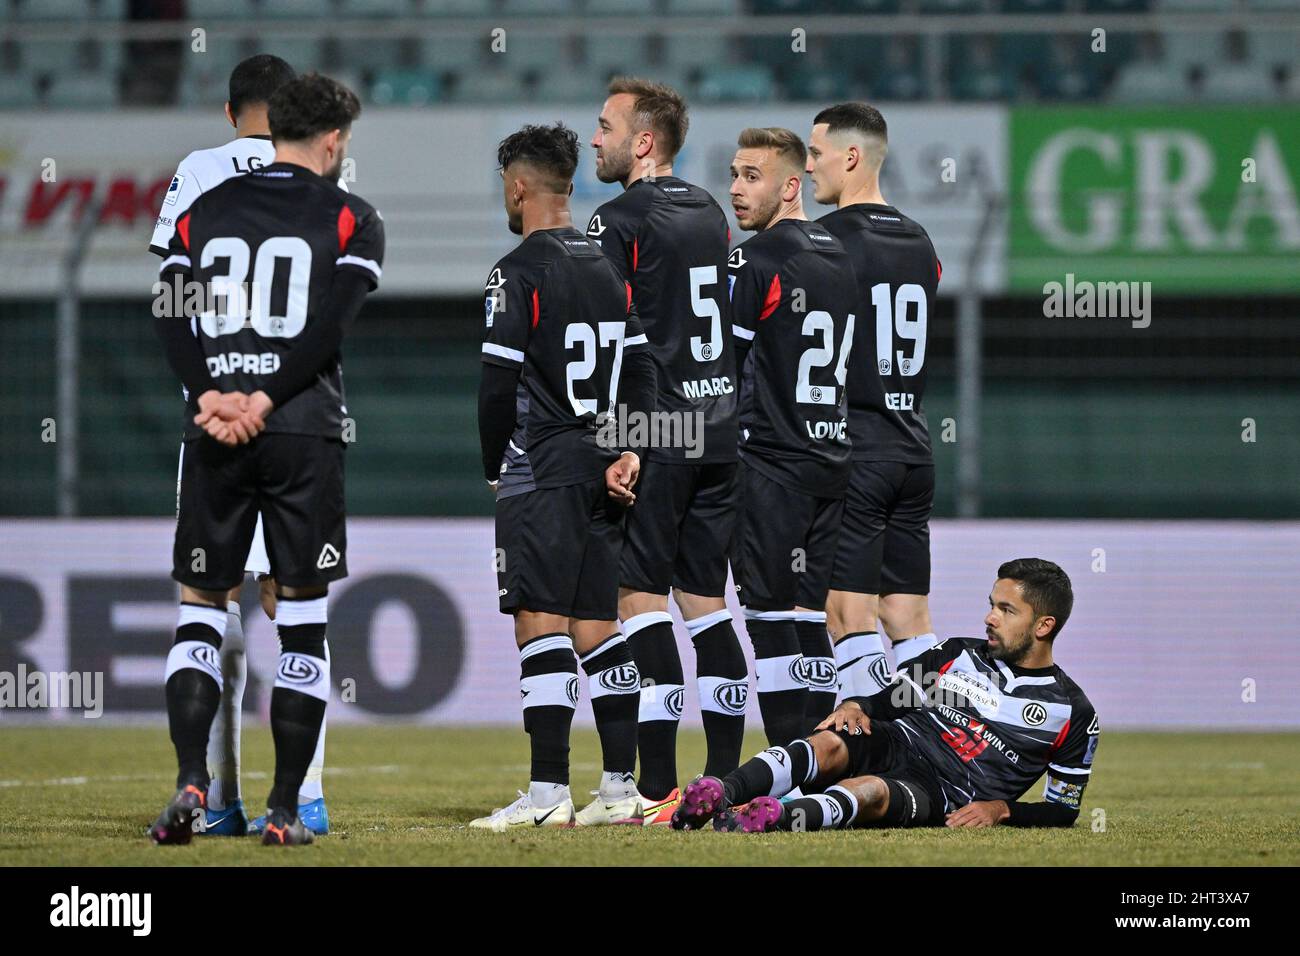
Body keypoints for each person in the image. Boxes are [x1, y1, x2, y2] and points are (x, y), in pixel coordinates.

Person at [149, 73, 383, 846]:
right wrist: (266, 398)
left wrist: (212, 392)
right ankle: (286, 808)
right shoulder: (352, 216)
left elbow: (171, 312)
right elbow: (330, 327)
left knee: (199, 612)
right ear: (335, 138)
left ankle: (193, 780)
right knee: (303, 624)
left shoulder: (204, 209)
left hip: (213, 428)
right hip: (300, 430)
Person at [472, 123, 656, 831]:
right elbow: (642, 368)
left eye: (504, 188)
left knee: (539, 624)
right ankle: (617, 789)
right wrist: (628, 445)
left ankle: (548, 792)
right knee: (598, 627)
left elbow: (496, 387)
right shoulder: (608, 266)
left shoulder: (517, 271)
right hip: (603, 470)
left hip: (541, 468)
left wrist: (495, 466)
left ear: (519, 187)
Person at [588, 77, 747, 823]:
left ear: (642, 142)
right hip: (722, 432)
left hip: (662, 432)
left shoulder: (617, 219)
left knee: (639, 602)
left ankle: (654, 791)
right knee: (708, 608)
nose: (595, 138)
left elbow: (619, 343)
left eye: (606, 126)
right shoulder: (708, 209)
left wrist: (622, 441)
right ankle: (720, 786)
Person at [672, 559, 1100, 833]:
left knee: (871, 792)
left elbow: (1064, 810)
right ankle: (720, 791)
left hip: (942, 789)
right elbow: (893, 698)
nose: (990, 617)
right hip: (900, 738)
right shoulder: (959, 653)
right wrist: (857, 705)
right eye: (992, 604)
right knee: (830, 741)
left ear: (1044, 626)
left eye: (1006, 611)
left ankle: (774, 818)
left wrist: (1003, 810)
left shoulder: (1073, 713)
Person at [804, 103, 943, 702]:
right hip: (910, 450)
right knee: (908, 617)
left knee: (846, 614)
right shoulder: (919, 240)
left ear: (851, 156)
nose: (808, 168)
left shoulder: (826, 240)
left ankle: (865, 756)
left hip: (854, 450)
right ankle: (946, 754)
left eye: (815, 154)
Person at [725, 127, 858, 741]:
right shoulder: (839, 253)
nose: (734, 190)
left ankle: (787, 763)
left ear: (789, 186)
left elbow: (725, 366)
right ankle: (824, 758)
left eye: (751, 177)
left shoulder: (756, 259)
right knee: (808, 616)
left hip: (773, 460)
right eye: (733, 175)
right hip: (831, 458)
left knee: (767, 612)